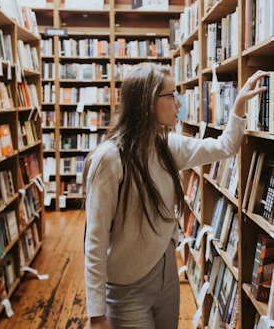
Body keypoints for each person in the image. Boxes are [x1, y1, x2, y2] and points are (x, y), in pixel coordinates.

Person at [83, 62, 268, 329]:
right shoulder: (110, 159)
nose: (179, 103)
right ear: (148, 103)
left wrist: (238, 106)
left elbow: (224, 147)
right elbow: (96, 238)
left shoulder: (168, 146)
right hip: (127, 289)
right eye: (172, 96)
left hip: (166, 276)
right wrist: (96, 313)